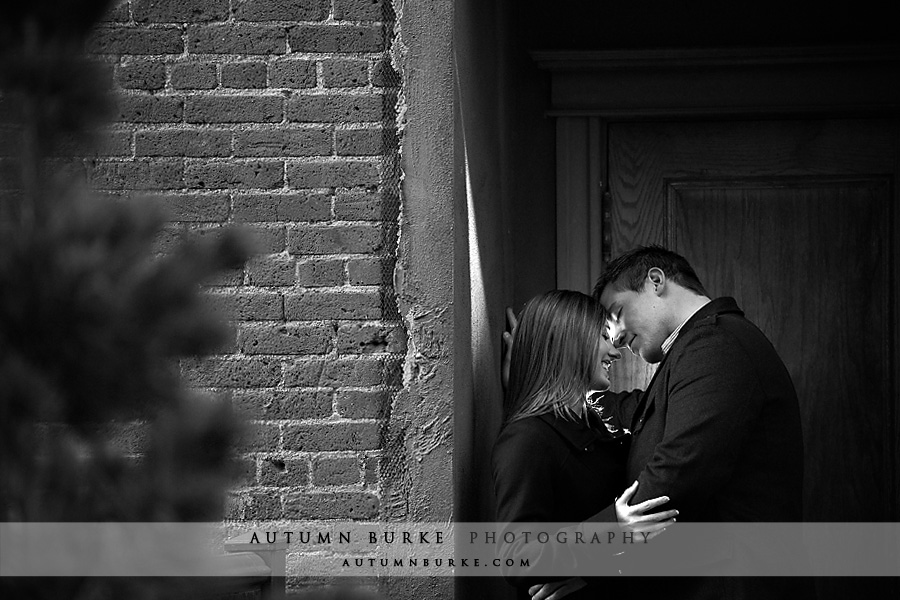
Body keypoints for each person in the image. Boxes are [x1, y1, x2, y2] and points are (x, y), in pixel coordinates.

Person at [569, 245, 810, 600]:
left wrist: (574, 556)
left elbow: (675, 476)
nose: (616, 336)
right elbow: (632, 410)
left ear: (656, 281)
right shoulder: (697, 349)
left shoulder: (717, 345)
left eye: (617, 313)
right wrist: (551, 380)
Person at [492, 290, 676, 600]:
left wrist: (593, 573)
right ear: (567, 344)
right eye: (604, 336)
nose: (615, 352)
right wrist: (612, 528)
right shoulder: (526, 439)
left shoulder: (594, 421)